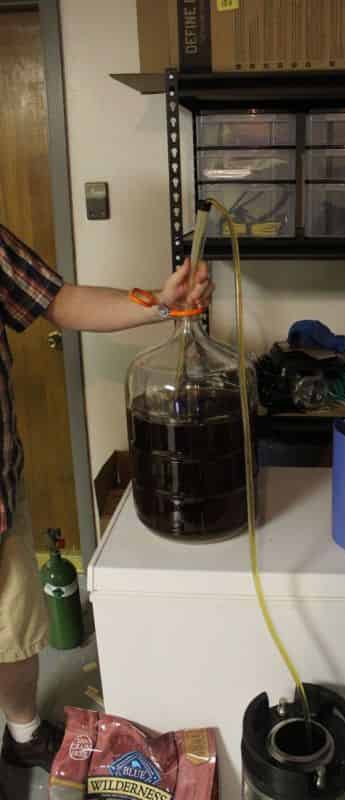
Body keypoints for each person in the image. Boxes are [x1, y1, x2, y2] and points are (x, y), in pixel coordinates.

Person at [0, 223, 213, 776]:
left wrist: (163, 306)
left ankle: (22, 732)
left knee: (14, 626)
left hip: (0, 487)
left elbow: (60, 301)